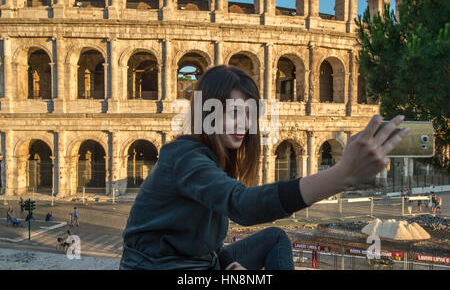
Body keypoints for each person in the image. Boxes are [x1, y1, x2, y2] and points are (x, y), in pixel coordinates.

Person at [119, 65, 410, 270]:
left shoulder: (209, 160)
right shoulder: (184, 156)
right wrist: (341, 175)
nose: (244, 124)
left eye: (249, 114)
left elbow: (202, 242)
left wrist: (230, 263)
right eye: (234, 112)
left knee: (275, 238)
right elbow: (243, 205)